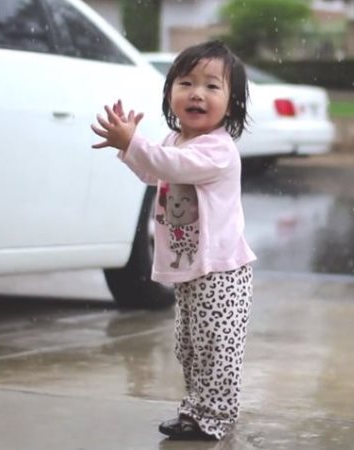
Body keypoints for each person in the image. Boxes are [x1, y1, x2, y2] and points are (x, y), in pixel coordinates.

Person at [90, 40, 256, 441]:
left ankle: (214, 417)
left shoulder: (218, 150)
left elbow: (171, 166)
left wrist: (134, 143)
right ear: (170, 94)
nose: (197, 93)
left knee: (217, 349)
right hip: (191, 269)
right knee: (190, 346)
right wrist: (129, 147)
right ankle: (195, 409)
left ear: (231, 105)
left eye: (212, 87)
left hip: (222, 272)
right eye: (186, 83)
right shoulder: (173, 142)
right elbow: (155, 173)